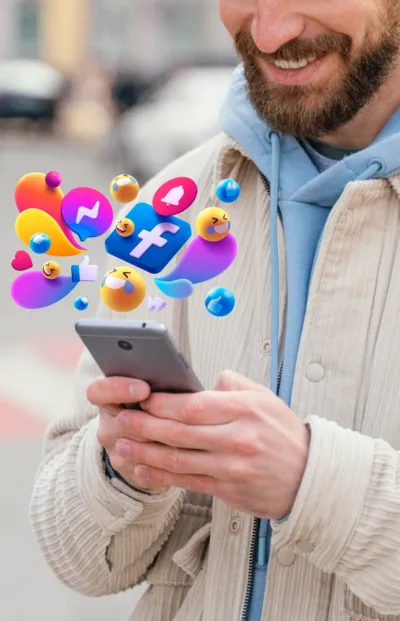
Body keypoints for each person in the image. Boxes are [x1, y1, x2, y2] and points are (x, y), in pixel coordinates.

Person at [30, 1, 400, 620]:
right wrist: (122, 470)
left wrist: (314, 484)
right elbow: (78, 560)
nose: (269, 31)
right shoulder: (172, 207)